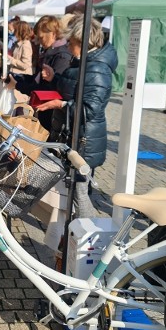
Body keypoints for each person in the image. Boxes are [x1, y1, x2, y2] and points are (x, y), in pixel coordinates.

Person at [36, 15, 118, 218]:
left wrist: (62, 104)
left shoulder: (97, 69)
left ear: (82, 43)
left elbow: (90, 109)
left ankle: (82, 241)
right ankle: (67, 238)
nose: (68, 46)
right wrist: (54, 78)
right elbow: (71, 88)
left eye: (71, 42)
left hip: (83, 141)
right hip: (70, 136)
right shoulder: (82, 62)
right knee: (70, 195)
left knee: (80, 196)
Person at [12, 15, 72, 130]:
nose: (39, 41)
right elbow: (39, 79)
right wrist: (20, 78)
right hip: (43, 109)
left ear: (53, 33)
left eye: (41, 37)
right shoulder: (50, 51)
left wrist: (19, 85)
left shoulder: (62, 56)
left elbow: (50, 89)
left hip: (52, 114)